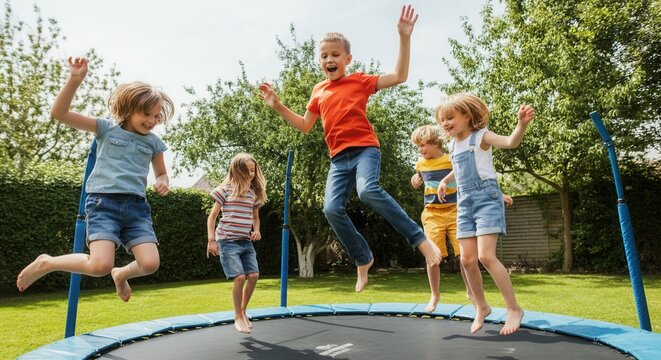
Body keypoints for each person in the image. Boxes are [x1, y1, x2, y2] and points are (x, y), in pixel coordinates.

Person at [258, 5, 441, 293]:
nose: (329, 59)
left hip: (366, 149)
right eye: (324, 56)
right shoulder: (319, 90)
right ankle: (363, 258)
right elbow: (305, 125)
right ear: (320, 60)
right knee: (331, 208)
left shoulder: (359, 80)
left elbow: (399, 76)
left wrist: (404, 37)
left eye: (335, 55)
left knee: (368, 190)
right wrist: (278, 105)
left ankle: (419, 239)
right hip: (338, 160)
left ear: (347, 59)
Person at [16, 57, 174, 302]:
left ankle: (121, 274)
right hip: (104, 204)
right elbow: (60, 113)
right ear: (128, 108)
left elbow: (161, 172)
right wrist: (74, 80)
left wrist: (163, 181)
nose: (152, 121)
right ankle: (48, 262)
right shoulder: (106, 128)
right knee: (100, 265)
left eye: (156, 116)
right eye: (147, 114)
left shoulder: (153, 142)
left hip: (137, 208)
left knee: (150, 263)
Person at [435, 93, 534, 335]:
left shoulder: (481, 136)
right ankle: (481, 306)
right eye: (442, 120)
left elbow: (511, 142)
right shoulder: (452, 144)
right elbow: (460, 171)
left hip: (486, 200)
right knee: (466, 260)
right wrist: (445, 181)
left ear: (466, 116)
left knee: (486, 257)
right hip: (465, 203)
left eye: (450, 117)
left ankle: (513, 308)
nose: (445, 123)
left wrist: (520, 124)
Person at [410, 124, 513, 312]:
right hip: (432, 213)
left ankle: (470, 291)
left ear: (435, 143)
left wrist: (499, 194)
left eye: (423, 145)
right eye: (418, 146)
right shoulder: (420, 163)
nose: (421, 149)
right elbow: (418, 178)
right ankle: (435, 295)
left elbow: (473, 177)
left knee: (465, 256)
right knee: (432, 256)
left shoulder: (451, 158)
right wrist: (415, 181)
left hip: (456, 210)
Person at [206, 153, 267, 334]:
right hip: (227, 241)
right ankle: (237, 316)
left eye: (253, 170)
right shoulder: (224, 190)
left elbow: (256, 219)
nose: (251, 174)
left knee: (254, 275)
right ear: (237, 171)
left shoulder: (253, 194)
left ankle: (243, 311)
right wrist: (211, 240)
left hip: (246, 242)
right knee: (239, 277)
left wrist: (256, 230)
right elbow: (212, 217)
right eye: (247, 171)